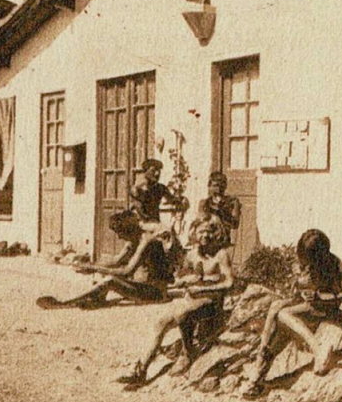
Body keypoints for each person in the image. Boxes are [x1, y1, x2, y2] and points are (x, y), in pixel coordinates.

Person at [117, 216, 234, 388]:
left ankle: (187, 352)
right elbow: (180, 275)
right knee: (160, 323)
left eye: (209, 232)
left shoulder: (220, 255)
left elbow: (229, 283)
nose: (205, 236)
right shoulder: (192, 254)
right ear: (194, 233)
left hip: (211, 302)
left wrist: (203, 288)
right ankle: (140, 371)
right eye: (201, 232)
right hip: (191, 299)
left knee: (181, 314)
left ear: (215, 234)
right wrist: (183, 280)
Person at [244, 229, 342, 397]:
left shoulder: (334, 264)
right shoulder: (304, 263)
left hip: (324, 309)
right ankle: (259, 366)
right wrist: (300, 290)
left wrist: (321, 296)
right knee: (276, 308)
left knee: (282, 316)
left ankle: (317, 349)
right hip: (307, 306)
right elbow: (298, 288)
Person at [36, 210, 176, 309]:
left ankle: (65, 304)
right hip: (142, 287)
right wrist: (88, 265)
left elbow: (126, 271)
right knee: (106, 274)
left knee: (110, 280)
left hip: (155, 293)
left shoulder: (147, 241)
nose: (119, 237)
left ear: (129, 230)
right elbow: (116, 260)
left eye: (120, 233)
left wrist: (94, 268)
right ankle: (97, 298)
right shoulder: (134, 239)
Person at [130, 159, 181, 230]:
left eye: (159, 171)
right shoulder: (137, 189)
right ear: (145, 172)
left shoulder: (161, 188)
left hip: (154, 224)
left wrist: (181, 200)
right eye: (153, 170)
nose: (157, 174)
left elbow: (172, 200)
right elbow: (140, 211)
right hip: (141, 225)